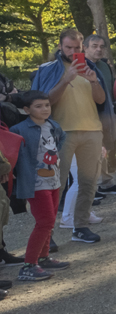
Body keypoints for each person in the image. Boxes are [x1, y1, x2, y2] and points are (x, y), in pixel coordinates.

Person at [30, 29, 106, 245]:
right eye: (68, 48)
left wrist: (93, 81)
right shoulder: (48, 70)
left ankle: (80, 227)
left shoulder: (90, 68)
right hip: (61, 133)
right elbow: (44, 102)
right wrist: (66, 80)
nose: (73, 52)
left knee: (88, 182)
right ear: (60, 47)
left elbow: (101, 101)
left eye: (77, 48)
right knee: (56, 184)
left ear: (82, 47)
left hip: (92, 131)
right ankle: (47, 234)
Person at [10, 91, 71, 282]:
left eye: (47, 105)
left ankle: (43, 258)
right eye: (38, 106)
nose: (44, 109)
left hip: (53, 180)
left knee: (50, 221)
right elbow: (12, 153)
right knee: (44, 222)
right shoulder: (19, 130)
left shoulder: (53, 125)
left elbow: (61, 138)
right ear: (26, 109)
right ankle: (29, 265)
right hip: (35, 183)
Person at [84, 34, 116, 192]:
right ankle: (92, 186)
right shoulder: (82, 66)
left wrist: (115, 112)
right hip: (89, 114)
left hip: (108, 113)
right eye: (94, 46)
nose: (99, 49)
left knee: (105, 148)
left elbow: (111, 88)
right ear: (85, 47)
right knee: (92, 150)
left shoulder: (105, 66)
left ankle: (105, 182)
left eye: (101, 46)